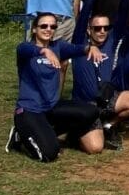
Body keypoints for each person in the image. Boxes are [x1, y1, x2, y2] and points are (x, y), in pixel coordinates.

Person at [6, 12, 103, 162]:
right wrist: (43, 51)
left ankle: (46, 133)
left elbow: (78, 49)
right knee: (49, 154)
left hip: (51, 108)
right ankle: (20, 136)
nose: (48, 29)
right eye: (43, 26)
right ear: (34, 29)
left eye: (52, 26)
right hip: (29, 110)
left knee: (91, 111)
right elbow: (23, 49)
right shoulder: (26, 49)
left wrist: (91, 48)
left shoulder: (58, 46)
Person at [71, 0, 129, 151]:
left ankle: (108, 125)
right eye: (97, 28)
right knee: (95, 148)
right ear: (89, 31)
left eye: (106, 27)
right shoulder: (79, 43)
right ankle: (77, 130)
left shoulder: (111, 41)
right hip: (86, 104)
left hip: (106, 100)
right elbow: (82, 20)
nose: (102, 31)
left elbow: (123, 16)